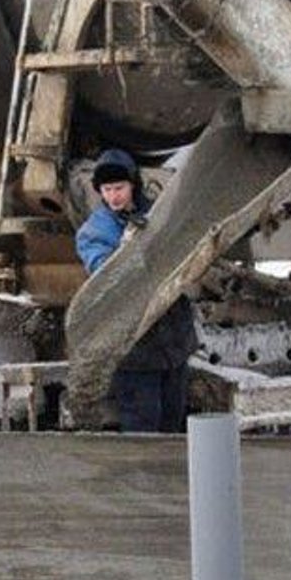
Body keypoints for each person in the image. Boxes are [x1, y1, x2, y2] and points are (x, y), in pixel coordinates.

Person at [75, 149, 198, 433]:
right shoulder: (95, 231)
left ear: (133, 185)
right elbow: (104, 272)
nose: (113, 196)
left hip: (173, 342)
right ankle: (143, 478)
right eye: (107, 190)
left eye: (119, 188)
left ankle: (172, 477)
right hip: (133, 348)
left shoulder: (158, 212)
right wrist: (130, 247)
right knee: (142, 426)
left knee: (173, 422)